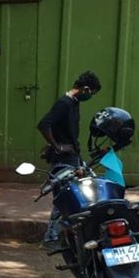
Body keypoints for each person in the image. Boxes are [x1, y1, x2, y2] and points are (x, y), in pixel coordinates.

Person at [37, 70, 101, 251]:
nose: (90, 96)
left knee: (77, 195)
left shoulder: (74, 102)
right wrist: (57, 146)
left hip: (73, 157)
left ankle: (64, 236)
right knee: (64, 197)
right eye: (91, 93)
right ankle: (51, 239)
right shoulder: (64, 103)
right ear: (85, 89)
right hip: (63, 160)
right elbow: (44, 124)